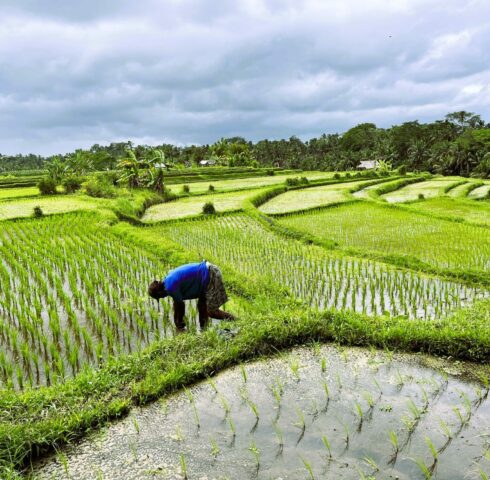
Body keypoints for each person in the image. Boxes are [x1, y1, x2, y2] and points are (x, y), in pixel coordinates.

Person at [148, 260, 235, 330]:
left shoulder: (170, 287)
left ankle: (236, 320)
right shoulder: (167, 280)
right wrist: (178, 320)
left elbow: (180, 306)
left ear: (160, 293)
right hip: (206, 274)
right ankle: (204, 330)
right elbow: (177, 303)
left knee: (212, 312)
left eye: (159, 297)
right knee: (202, 306)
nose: (162, 298)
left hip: (211, 274)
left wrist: (179, 323)